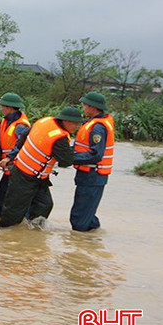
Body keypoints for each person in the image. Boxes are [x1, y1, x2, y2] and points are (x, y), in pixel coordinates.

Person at [0, 107, 82, 228]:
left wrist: (14, 155)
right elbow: (66, 161)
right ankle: (4, 232)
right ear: (66, 121)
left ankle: (33, 233)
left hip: (36, 177)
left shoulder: (44, 121)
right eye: (75, 124)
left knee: (44, 204)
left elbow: (23, 136)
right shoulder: (59, 138)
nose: (77, 127)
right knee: (14, 211)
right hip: (25, 176)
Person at [71, 91, 115, 231]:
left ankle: (81, 242)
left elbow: (96, 155)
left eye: (85, 105)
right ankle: (94, 239)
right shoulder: (93, 123)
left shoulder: (98, 128)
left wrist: (71, 158)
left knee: (79, 219)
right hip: (89, 175)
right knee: (86, 216)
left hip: (92, 176)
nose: (83, 108)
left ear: (92, 107)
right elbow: (81, 148)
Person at [0, 92, 30, 218]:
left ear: (10, 108)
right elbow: (1, 142)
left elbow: (22, 143)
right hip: (8, 169)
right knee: (1, 198)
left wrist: (9, 157)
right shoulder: (6, 121)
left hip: (17, 169)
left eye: (3, 106)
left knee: (12, 200)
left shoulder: (21, 125)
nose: (1, 109)